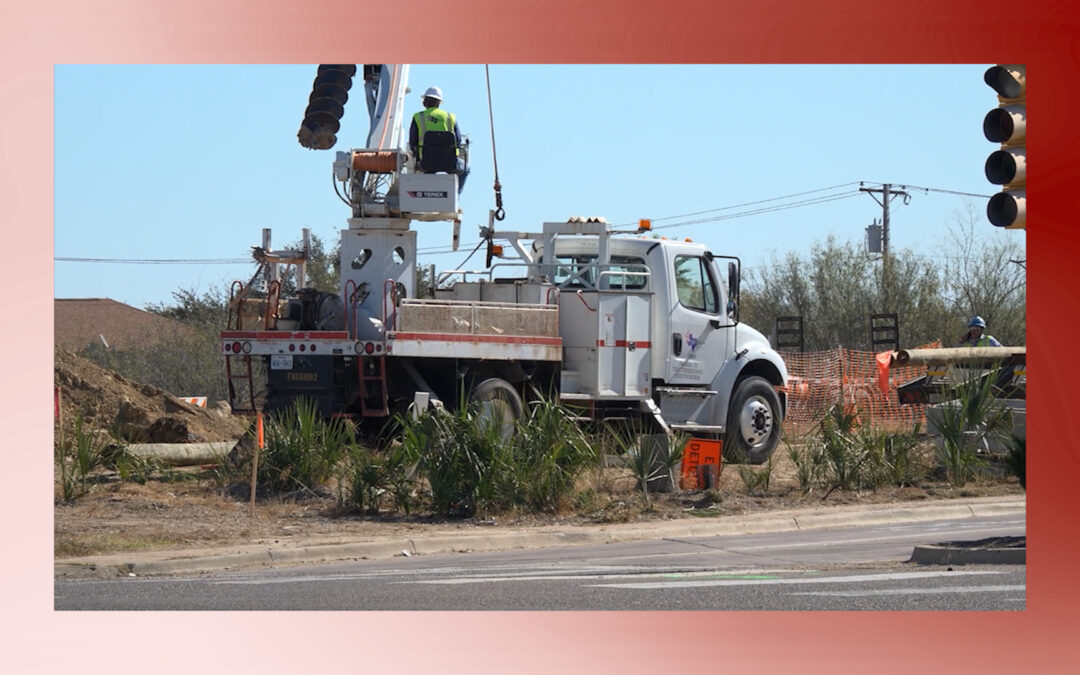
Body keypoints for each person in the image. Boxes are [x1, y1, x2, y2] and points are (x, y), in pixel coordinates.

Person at [408, 86, 469, 193]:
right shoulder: (450, 117)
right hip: (449, 161)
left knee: (424, 170)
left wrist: (416, 155)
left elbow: (413, 141)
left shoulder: (418, 117)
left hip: (426, 161)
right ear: (439, 103)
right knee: (466, 169)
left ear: (424, 103)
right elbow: (458, 140)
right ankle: (456, 196)